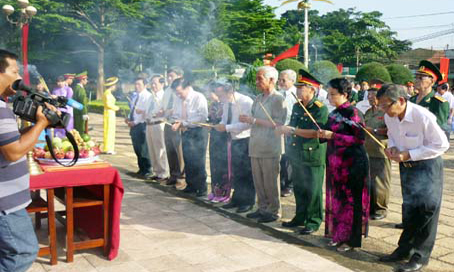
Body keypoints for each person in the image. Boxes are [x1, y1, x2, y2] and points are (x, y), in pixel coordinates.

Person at [377, 84, 449, 272]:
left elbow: (442, 145)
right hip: (406, 166)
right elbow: (393, 136)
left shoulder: (422, 116)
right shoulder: (389, 116)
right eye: (381, 106)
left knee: (427, 209)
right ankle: (404, 249)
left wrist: (410, 154)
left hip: (427, 166)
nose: (383, 110)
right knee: (409, 208)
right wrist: (392, 147)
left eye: (385, 105)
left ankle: (420, 255)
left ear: (400, 101)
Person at [0, 49, 55, 272]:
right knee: (22, 251)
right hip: (5, 203)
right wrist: (41, 124)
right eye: (14, 71)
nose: (18, 77)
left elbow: (10, 142)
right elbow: (13, 152)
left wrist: (40, 123)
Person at [318, 77, 370, 252]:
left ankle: (350, 240)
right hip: (336, 164)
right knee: (338, 200)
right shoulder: (333, 113)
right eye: (329, 94)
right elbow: (327, 131)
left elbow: (359, 138)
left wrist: (332, 136)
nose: (329, 98)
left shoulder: (353, 113)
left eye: (333, 94)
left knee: (350, 202)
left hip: (352, 164)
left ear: (345, 94)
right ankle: (338, 234)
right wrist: (321, 132)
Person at [277, 69, 328, 235]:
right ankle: (300, 217)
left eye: (302, 87)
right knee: (299, 187)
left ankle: (313, 221)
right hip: (297, 153)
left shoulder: (320, 109)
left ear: (312, 89)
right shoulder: (298, 106)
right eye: (298, 87)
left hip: (313, 154)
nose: (298, 90)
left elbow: (316, 132)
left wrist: (291, 130)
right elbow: (293, 127)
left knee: (313, 189)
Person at [240, 66, 287, 223]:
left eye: (260, 78)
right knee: (258, 181)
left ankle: (273, 211)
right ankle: (262, 208)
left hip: (270, 145)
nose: (257, 81)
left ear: (272, 80)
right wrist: (248, 119)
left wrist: (254, 121)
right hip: (256, 144)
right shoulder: (258, 98)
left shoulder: (278, 99)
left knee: (270, 181)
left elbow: (279, 123)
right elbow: (253, 117)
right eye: (257, 78)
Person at [213, 80, 255, 213]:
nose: (219, 98)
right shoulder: (226, 102)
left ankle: (247, 201)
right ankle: (237, 198)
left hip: (245, 139)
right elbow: (225, 118)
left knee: (246, 172)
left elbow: (247, 124)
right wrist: (221, 124)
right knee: (236, 171)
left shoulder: (245, 101)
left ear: (229, 92)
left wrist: (226, 127)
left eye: (221, 95)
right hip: (233, 138)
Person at [171, 78, 209, 197]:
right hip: (185, 131)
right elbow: (175, 114)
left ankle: (201, 188)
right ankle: (191, 185)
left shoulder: (199, 97)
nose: (178, 94)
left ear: (187, 88)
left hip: (198, 131)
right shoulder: (178, 99)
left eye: (179, 91)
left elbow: (202, 117)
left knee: (198, 160)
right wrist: (177, 121)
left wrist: (184, 123)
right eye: (176, 92)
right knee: (188, 159)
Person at [364, 88, 390, 220]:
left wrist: (373, 130)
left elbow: (390, 131)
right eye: (368, 95)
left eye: (373, 95)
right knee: (369, 181)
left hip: (381, 151)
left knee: (380, 182)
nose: (370, 97)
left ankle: (381, 209)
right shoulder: (368, 112)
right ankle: (370, 207)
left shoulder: (386, 113)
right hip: (368, 150)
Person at [159, 67, 185, 188]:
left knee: (178, 150)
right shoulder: (168, 90)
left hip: (178, 123)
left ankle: (181, 177)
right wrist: (162, 111)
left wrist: (171, 111)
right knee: (169, 149)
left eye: (172, 76)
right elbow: (164, 105)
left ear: (179, 76)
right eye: (168, 76)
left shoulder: (182, 89)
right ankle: (173, 174)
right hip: (167, 122)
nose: (169, 78)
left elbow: (182, 106)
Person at [206, 82, 230, 202]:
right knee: (214, 163)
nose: (211, 95)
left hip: (224, 137)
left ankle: (224, 192)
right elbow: (211, 119)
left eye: (214, 92)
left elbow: (228, 121)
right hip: (215, 135)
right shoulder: (213, 104)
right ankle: (215, 190)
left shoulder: (227, 104)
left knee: (223, 164)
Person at [411, 60, 450, 133]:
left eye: (420, 78)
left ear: (431, 81)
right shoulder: (411, 100)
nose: (416, 80)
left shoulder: (439, 103)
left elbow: (438, 129)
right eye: (416, 77)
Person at [144, 75, 169, 183]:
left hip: (159, 124)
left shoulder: (164, 96)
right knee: (152, 149)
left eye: (155, 83)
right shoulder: (151, 96)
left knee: (160, 149)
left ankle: (164, 173)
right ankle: (156, 172)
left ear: (162, 84)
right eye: (152, 83)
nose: (153, 86)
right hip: (149, 124)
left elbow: (165, 110)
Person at [125, 77, 152, 178]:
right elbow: (133, 109)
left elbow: (144, 113)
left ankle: (148, 170)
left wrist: (135, 122)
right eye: (135, 84)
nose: (136, 86)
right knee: (137, 148)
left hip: (142, 125)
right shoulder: (136, 96)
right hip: (134, 125)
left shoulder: (147, 96)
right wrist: (129, 118)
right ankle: (141, 169)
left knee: (144, 149)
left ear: (145, 85)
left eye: (139, 84)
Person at [277, 69, 297, 197]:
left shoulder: (296, 94)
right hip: (279, 129)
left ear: (292, 81)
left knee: (289, 158)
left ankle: (289, 185)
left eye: (284, 80)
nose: (281, 82)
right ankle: (282, 182)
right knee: (281, 158)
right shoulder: (279, 94)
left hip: (291, 129)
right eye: (280, 79)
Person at [102, 77, 120, 154]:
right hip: (109, 113)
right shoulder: (107, 93)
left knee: (110, 130)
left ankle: (108, 148)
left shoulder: (107, 93)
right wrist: (117, 108)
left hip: (110, 113)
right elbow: (108, 104)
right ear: (112, 86)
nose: (115, 87)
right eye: (114, 85)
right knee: (109, 131)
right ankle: (109, 148)